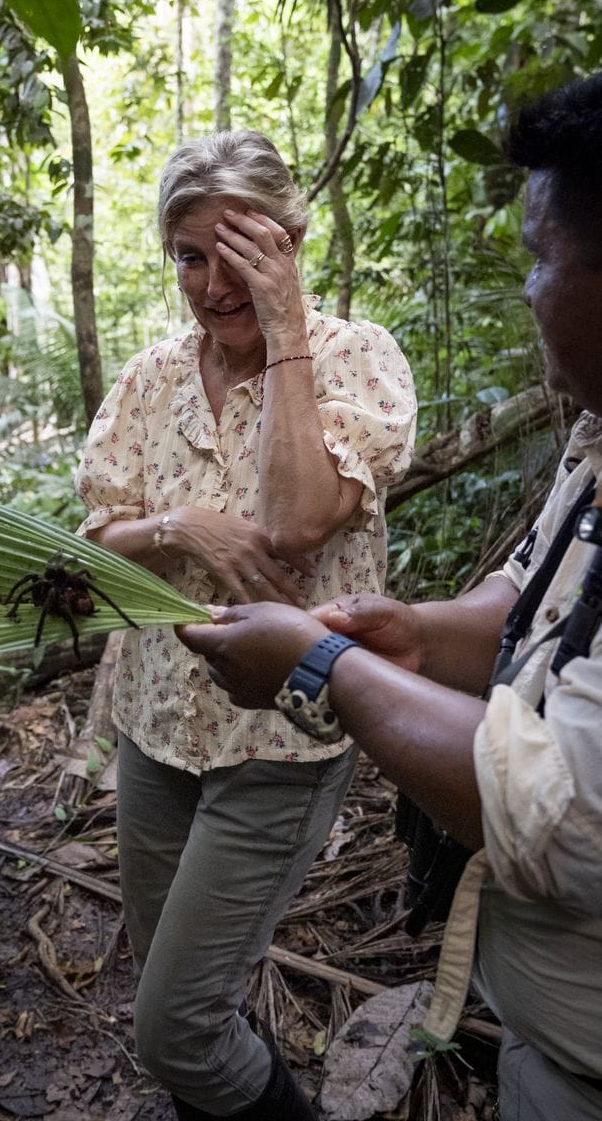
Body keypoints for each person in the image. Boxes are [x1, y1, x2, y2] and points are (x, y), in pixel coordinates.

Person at [179, 75, 602, 1121]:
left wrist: (323, 665)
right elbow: (526, 602)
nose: (525, 291)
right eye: (192, 255)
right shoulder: (596, 441)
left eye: (538, 259)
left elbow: (560, 813)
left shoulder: (354, 357)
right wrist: (409, 632)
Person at [74, 130, 416, 1119]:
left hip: (281, 740)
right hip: (155, 727)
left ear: (289, 241)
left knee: (172, 1027)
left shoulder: (357, 358)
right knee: (187, 1002)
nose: (212, 281)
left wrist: (287, 333)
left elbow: (297, 520)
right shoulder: (149, 380)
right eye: (188, 255)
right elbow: (97, 539)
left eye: (238, 252)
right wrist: (179, 523)